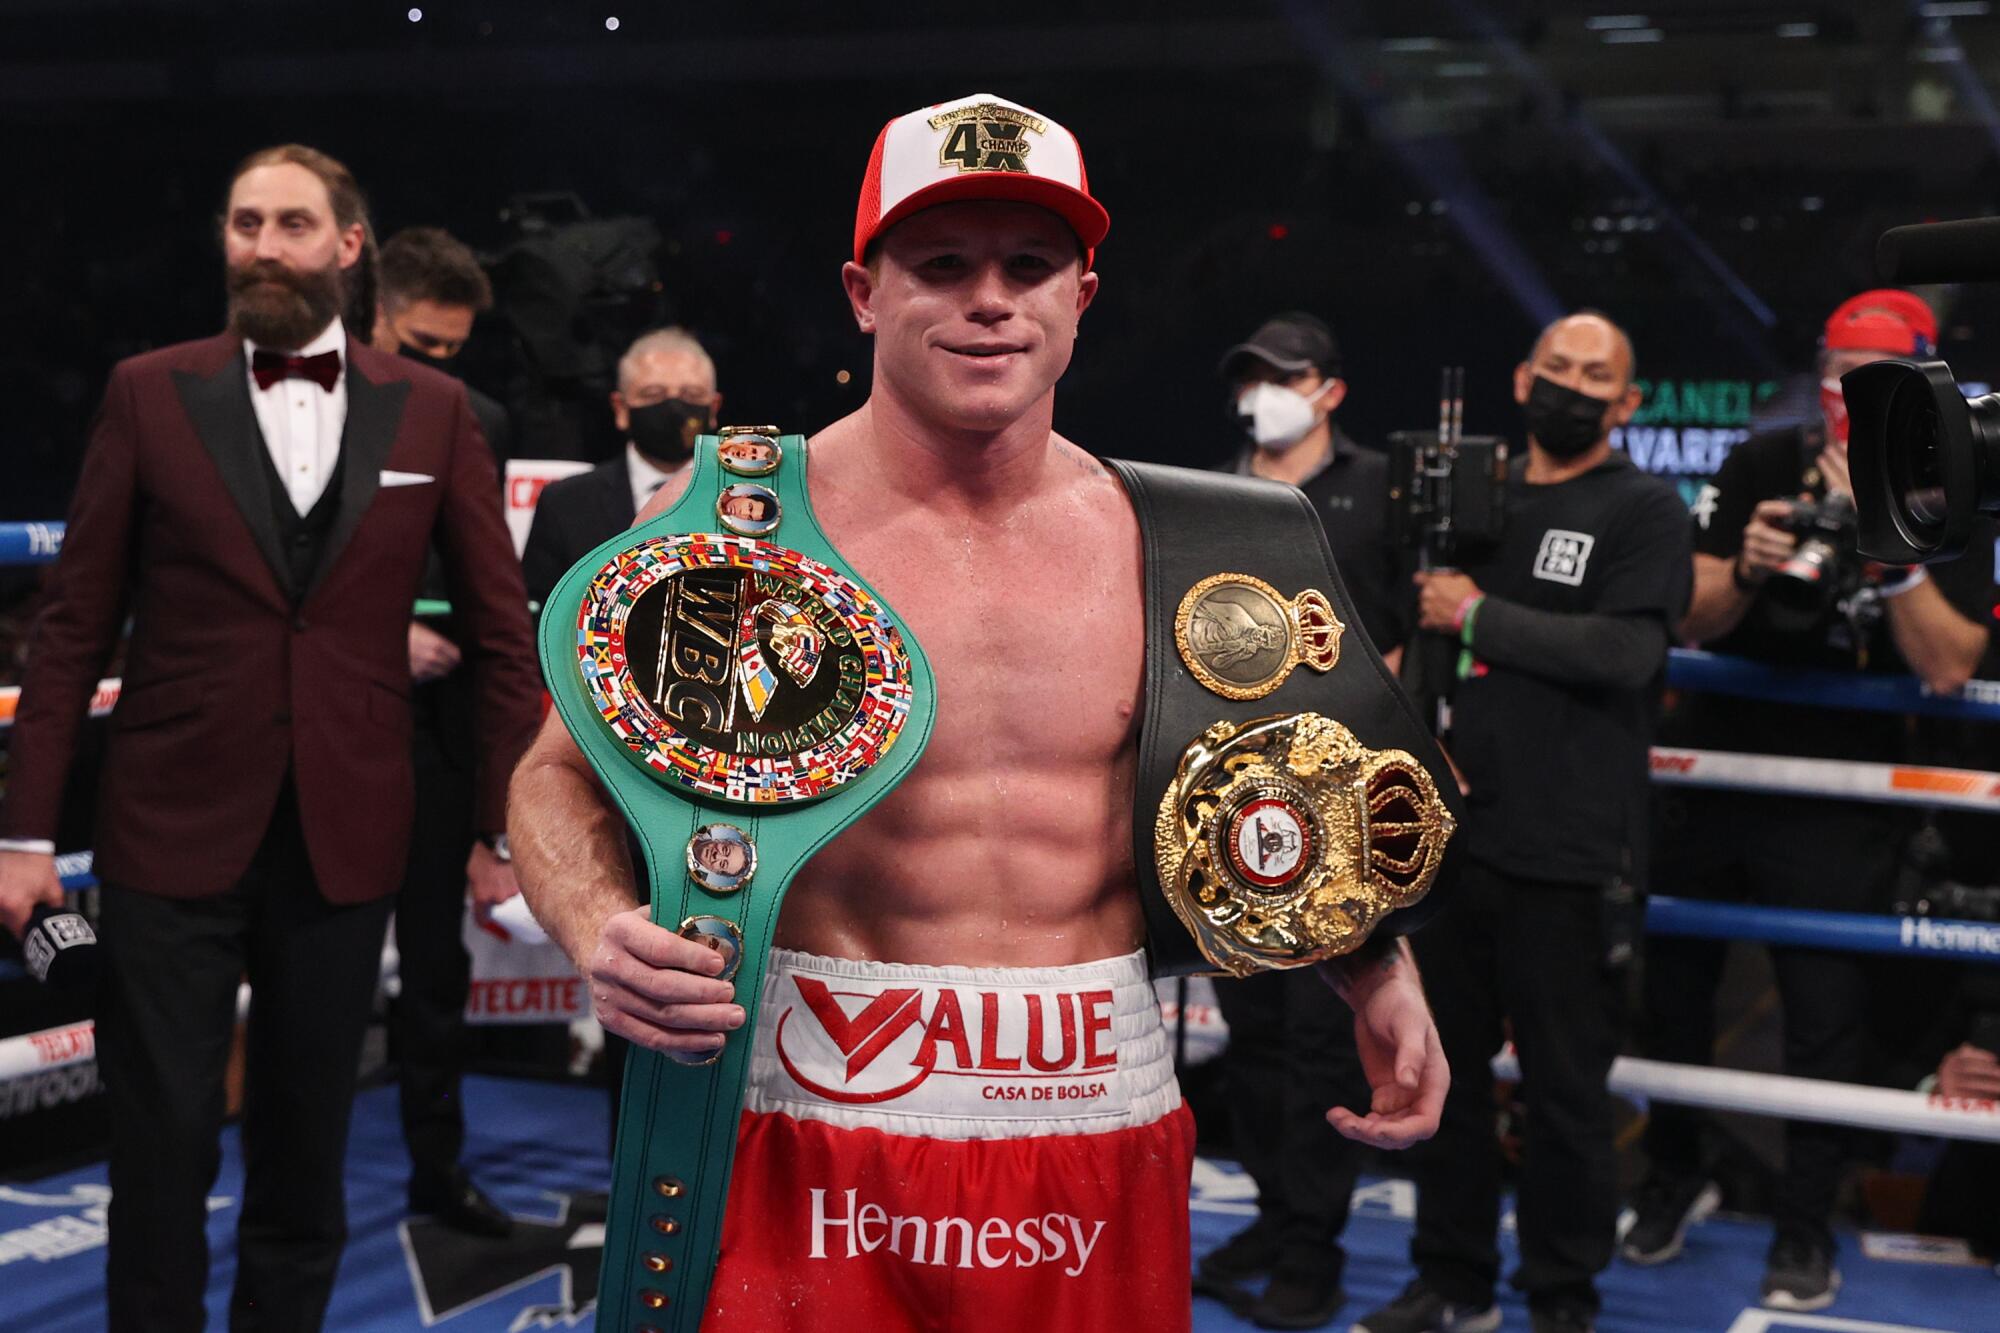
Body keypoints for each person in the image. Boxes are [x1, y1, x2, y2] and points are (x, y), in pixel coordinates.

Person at [507, 93, 1448, 1332]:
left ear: (1081, 296)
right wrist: (598, 929)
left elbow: (1285, 792)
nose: (988, 299)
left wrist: (1370, 960)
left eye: (1028, 265)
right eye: (940, 265)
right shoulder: (735, 522)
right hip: (810, 1115)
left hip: (1092, 1114)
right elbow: (553, 775)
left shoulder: (1179, 542)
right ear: (862, 291)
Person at [0, 144, 541, 1331]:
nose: (265, 244)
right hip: (168, 827)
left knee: (306, 1150)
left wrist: (506, 822)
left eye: (293, 223)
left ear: (349, 247)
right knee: (163, 1145)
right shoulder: (148, 390)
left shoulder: (437, 407)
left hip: (347, 832)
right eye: (245, 222)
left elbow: (504, 635)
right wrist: (25, 832)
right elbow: (74, 623)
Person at [1627, 290, 1993, 1311]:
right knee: (1673, 997)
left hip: (1840, 800)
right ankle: (1667, 1175)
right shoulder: (1759, 461)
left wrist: (1884, 554)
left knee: (1824, 1022)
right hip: (1713, 775)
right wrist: (1742, 569)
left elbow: (1947, 666)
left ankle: (1801, 1228)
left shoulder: (1947, 484)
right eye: (1831, 369)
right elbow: (1687, 622)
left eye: (1863, 374)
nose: (1841, 392)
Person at [1353, 312, 1691, 1333]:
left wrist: (1481, 618)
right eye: (1558, 367)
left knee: (1563, 1096)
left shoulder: (1642, 508)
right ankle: (1451, 1279)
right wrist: (1419, 746)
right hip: (1452, 843)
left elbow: (1629, 654)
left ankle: (1559, 1298)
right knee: (1436, 1076)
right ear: (1520, 376)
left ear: (1625, 403)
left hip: (1570, 845)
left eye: (1596, 376)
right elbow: (1419, 635)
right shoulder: (1469, 495)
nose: (1572, 386)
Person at [1196, 311, 1408, 1328]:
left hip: (1339, 801)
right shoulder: (1212, 490)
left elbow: (1407, 641)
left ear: (1328, 387)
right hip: (1228, 792)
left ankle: (1312, 1248)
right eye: (1250, 375)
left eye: (1281, 376)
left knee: (1323, 1034)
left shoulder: (1376, 491)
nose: (1260, 392)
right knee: (1250, 1034)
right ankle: (1278, 1216)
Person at [368, 224, 520, 1237]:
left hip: (434, 734)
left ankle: (435, 1166)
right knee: (298, 963)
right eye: (418, 349)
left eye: (453, 354)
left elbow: (483, 587)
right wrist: (378, 641)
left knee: (433, 968)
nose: (437, 374)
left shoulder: (477, 418)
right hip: (318, 724)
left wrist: (491, 814)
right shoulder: (293, 413)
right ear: (370, 315)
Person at [519, 326, 722, 611]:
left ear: (713, 409)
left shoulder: (743, 503)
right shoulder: (566, 503)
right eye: (653, 395)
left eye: (690, 395)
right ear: (621, 409)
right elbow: (537, 613)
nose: (674, 408)